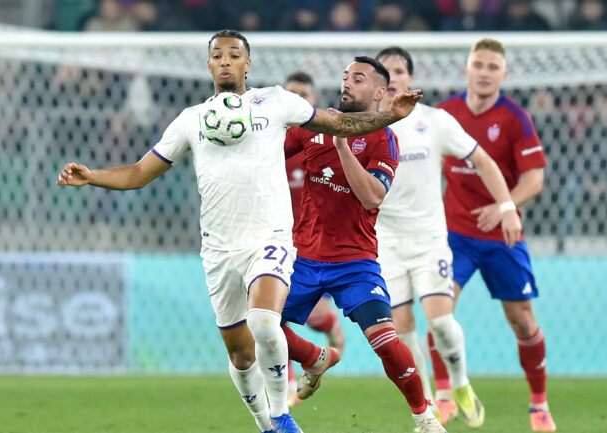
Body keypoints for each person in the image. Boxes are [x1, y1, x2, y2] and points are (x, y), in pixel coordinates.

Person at [56, 30, 423, 433]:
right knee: (242, 356)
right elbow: (140, 173)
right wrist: (93, 177)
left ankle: (283, 417)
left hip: (270, 238)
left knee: (265, 320)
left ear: (248, 64)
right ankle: (267, 421)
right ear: (210, 64)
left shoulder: (276, 101)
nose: (226, 60)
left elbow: (337, 121)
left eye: (235, 54)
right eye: (218, 55)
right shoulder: (190, 120)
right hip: (218, 250)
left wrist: (391, 115)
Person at [278, 56, 446, 433]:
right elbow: (271, 155)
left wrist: (341, 146)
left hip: (355, 261)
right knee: (258, 327)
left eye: (358, 78)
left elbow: (372, 197)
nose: (347, 83)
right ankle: (315, 358)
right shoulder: (315, 125)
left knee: (386, 341)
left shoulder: (385, 139)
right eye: (345, 77)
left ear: (379, 92)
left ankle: (424, 417)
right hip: (303, 257)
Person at [373, 46, 522, 428]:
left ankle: (459, 384)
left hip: (428, 240)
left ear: (410, 79)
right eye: (385, 73)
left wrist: (507, 208)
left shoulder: (434, 121)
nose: (393, 79)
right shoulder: (363, 127)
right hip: (383, 242)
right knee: (401, 329)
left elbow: (483, 161)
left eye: (400, 71)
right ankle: (426, 405)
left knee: (439, 320)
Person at [436, 38, 556, 432]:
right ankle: (444, 397)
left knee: (522, 321)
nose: (485, 73)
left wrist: (505, 206)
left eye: (493, 67)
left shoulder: (515, 118)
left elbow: (535, 178)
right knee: (439, 313)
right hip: (454, 235)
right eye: (479, 65)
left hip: (502, 236)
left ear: (504, 75)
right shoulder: (445, 114)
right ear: (466, 70)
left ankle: (539, 404)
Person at [283, 71, 346, 405]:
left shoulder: (321, 141)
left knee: (286, 314)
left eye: (302, 94)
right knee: (269, 314)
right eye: (290, 94)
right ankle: (289, 381)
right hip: (276, 239)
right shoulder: (273, 143)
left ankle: (329, 324)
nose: (296, 99)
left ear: (314, 100)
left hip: (314, 242)